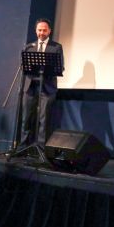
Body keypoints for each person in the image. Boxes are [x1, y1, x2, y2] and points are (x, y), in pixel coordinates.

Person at [19, 18, 64, 149]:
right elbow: (23, 66)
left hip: (47, 87)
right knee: (26, 117)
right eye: (39, 30)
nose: (42, 32)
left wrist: (48, 67)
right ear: (35, 31)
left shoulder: (56, 47)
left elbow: (61, 67)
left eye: (44, 30)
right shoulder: (29, 47)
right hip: (30, 86)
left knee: (44, 119)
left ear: (49, 31)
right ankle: (23, 147)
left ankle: (41, 148)